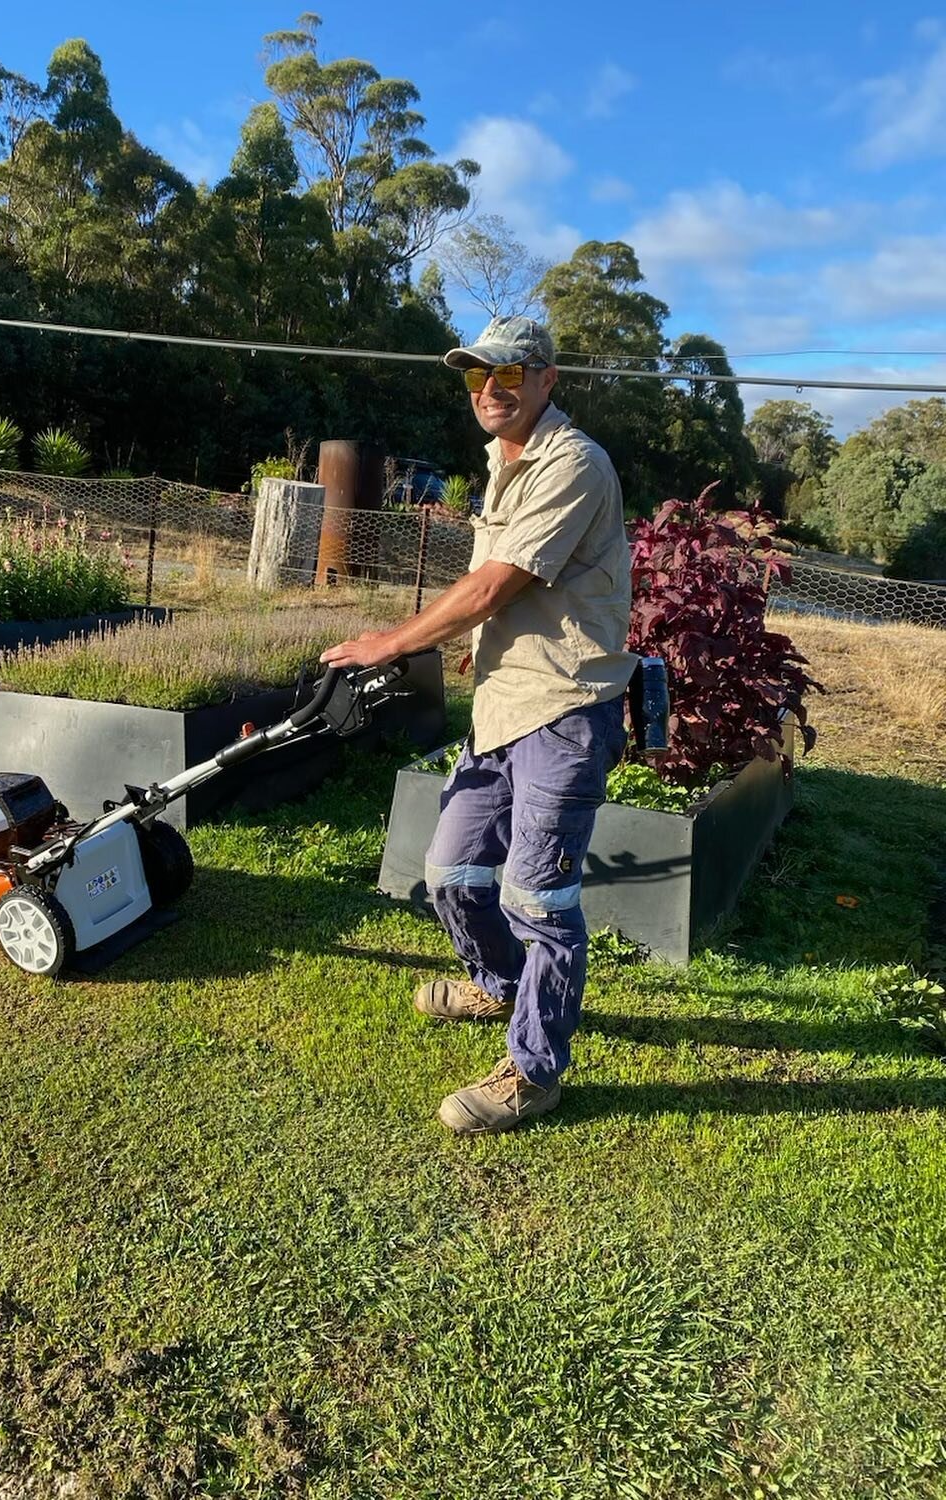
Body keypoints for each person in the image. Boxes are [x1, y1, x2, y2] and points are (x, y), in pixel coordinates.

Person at [320, 315, 637, 1136]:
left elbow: (497, 584)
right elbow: (501, 594)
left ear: (545, 380)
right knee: (452, 870)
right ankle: (496, 984)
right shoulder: (503, 462)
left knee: (538, 897)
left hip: (564, 709)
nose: (489, 390)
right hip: (504, 704)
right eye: (475, 377)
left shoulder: (573, 462)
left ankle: (534, 1071)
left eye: (508, 374)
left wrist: (390, 641)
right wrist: (473, 652)